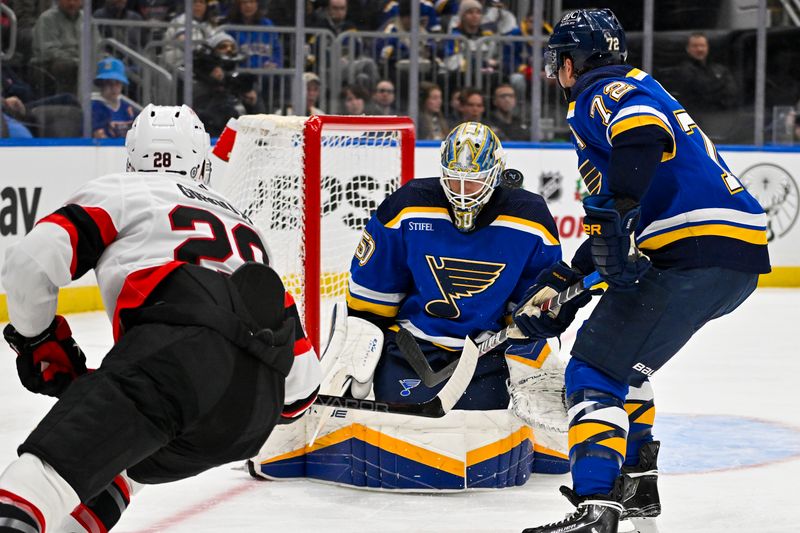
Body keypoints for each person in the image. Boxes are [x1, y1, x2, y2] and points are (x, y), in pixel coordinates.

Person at [0, 104, 321, 533]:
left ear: (131, 158)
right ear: (202, 163)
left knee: (46, 473)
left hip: (177, 353)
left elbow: (30, 263)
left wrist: (38, 339)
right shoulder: (247, 229)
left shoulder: (120, 191)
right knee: (123, 450)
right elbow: (302, 390)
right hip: (250, 415)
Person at [514, 9, 770, 533]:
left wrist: (618, 214)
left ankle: (596, 505)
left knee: (592, 370)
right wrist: (572, 279)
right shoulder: (638, 83)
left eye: (558, 60)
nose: (556, 71)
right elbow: (627, 216)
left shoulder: (599, 89)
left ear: (574, 62)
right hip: (727, 255)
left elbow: (640, 138)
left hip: (694, 251)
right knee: (624, 365)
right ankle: (637, 486)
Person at [670, 33, 738, 130]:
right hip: (694, 119)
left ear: (707, 48)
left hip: (720, 118)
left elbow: (732, 92)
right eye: (695, 46)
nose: (699, 49)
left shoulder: (718, 69)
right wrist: (719, 83)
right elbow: (702, 89)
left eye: (702, 45)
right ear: (688, 49)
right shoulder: (683, 69)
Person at [91, 57, 139, 139]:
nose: (114, 88)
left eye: (117, 83)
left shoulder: (127, 108)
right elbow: (99, 136)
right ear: (101, 85)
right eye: (109, 83)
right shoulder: (94, 108)